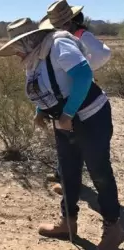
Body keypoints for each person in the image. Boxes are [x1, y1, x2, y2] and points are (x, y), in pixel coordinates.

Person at [0, 16, 123, 249]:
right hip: (64, 120)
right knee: (67, 171)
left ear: (29, 40)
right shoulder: (34, 58)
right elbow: (48, 88)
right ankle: (68, 223)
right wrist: (40, 111)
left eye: (17, 46)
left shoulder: (58, 45)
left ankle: (113, 228)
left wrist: (68, 113)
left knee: (99, 172)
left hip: (91, 117)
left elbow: (84, 76)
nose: (15, 52)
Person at [39, 1, 112, 194]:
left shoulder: (80, 35)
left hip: (82, 99)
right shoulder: (60, 38)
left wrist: (83, 70)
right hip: (69, 95)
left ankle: (107, 209)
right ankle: (64, 176)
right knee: (67, 143)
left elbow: (104, 54)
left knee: (81, 144)